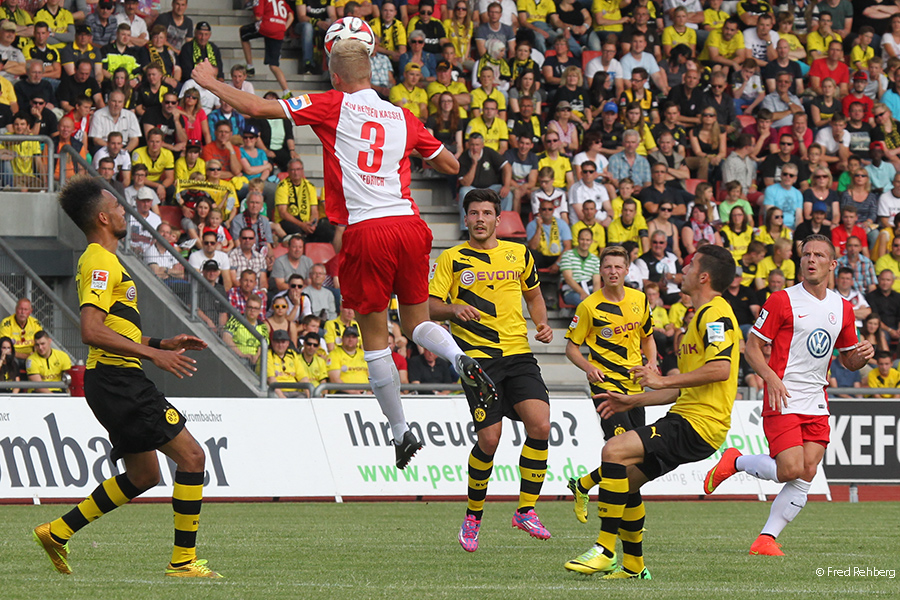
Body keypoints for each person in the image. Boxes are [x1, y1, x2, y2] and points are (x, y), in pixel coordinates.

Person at [192, 41, 497, 469]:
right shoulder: (403, 115)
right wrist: (404, 155)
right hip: (411, 225)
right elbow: (449, 165)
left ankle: (400, 433)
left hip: (368, 230)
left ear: (336, 76)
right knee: (416, 322)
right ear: (370, 74)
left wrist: (209, 81)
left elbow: (258, 109)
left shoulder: (333, 104)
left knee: (374, 341)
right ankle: (459, 357)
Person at [35, 176, 220, 577]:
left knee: (145, 474)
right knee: (192, 457)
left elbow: (111, 328)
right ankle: (183, 562)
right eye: (118, 207)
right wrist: (152, 354)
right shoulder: (100, 259)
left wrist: (160, 341)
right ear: (103, 217)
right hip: (119, 380)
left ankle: (58, 531)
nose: (125, 211)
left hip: (113, 379)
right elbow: (90, 330)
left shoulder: (104, 260)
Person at [565, 244, 739, 578]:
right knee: (625, 484)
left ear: (703, 277)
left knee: (613, 450)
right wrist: (633, 400)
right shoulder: (698, 317)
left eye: (689, 267)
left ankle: (603, 549)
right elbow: (680, 389)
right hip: (686, 419)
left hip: (698, 424)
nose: (682, 271)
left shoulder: (714, 314)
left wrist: (657, 382)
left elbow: (721, 369)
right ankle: (633, 566)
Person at [704, 235, 873, 556]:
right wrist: (769, 377)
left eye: (819, 255)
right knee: (791, 469)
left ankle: (766, 538)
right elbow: (751, 347)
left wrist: (863, 354)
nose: (811, 259)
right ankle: (736, 461)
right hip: (782, 395)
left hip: (816, 399)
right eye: (806, 254)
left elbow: (848, 358)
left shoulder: (843, 307)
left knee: (808, 470)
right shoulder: (781, 300)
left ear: (832, 264)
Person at [430, 189, 553, 552]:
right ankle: (473, 517)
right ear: (465, 219)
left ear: (498, 219)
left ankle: (525, 510)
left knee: (541, 424)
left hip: (518, 353)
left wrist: (542, 324)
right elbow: (428, 306)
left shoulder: (519, 254)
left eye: (487, 213)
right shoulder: (452, 259)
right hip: (477, 359)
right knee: (490, 440)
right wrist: (454, 310)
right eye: (474, 213)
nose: (480, 219)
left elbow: (534, 295)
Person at [239, 0, 293, 98]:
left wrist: (257, 18)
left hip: (267, 27)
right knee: (273, 65)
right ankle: (287, 91)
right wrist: (283, 28)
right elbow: (291, 17)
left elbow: (258, 17)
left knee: (243, 33)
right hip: (279, 30)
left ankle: (250, 67)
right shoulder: (282, 1)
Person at [266, 329, 307, 398]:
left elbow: (303, 378)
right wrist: (283, 398)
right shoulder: (268, 355)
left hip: (294, 391)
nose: (280, 345)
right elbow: (271, 379)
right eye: (277, 342)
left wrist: (310, 397)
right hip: (276, 392)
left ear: (288, 343)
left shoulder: (292, 354)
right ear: (272, 342)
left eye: (283, 342)